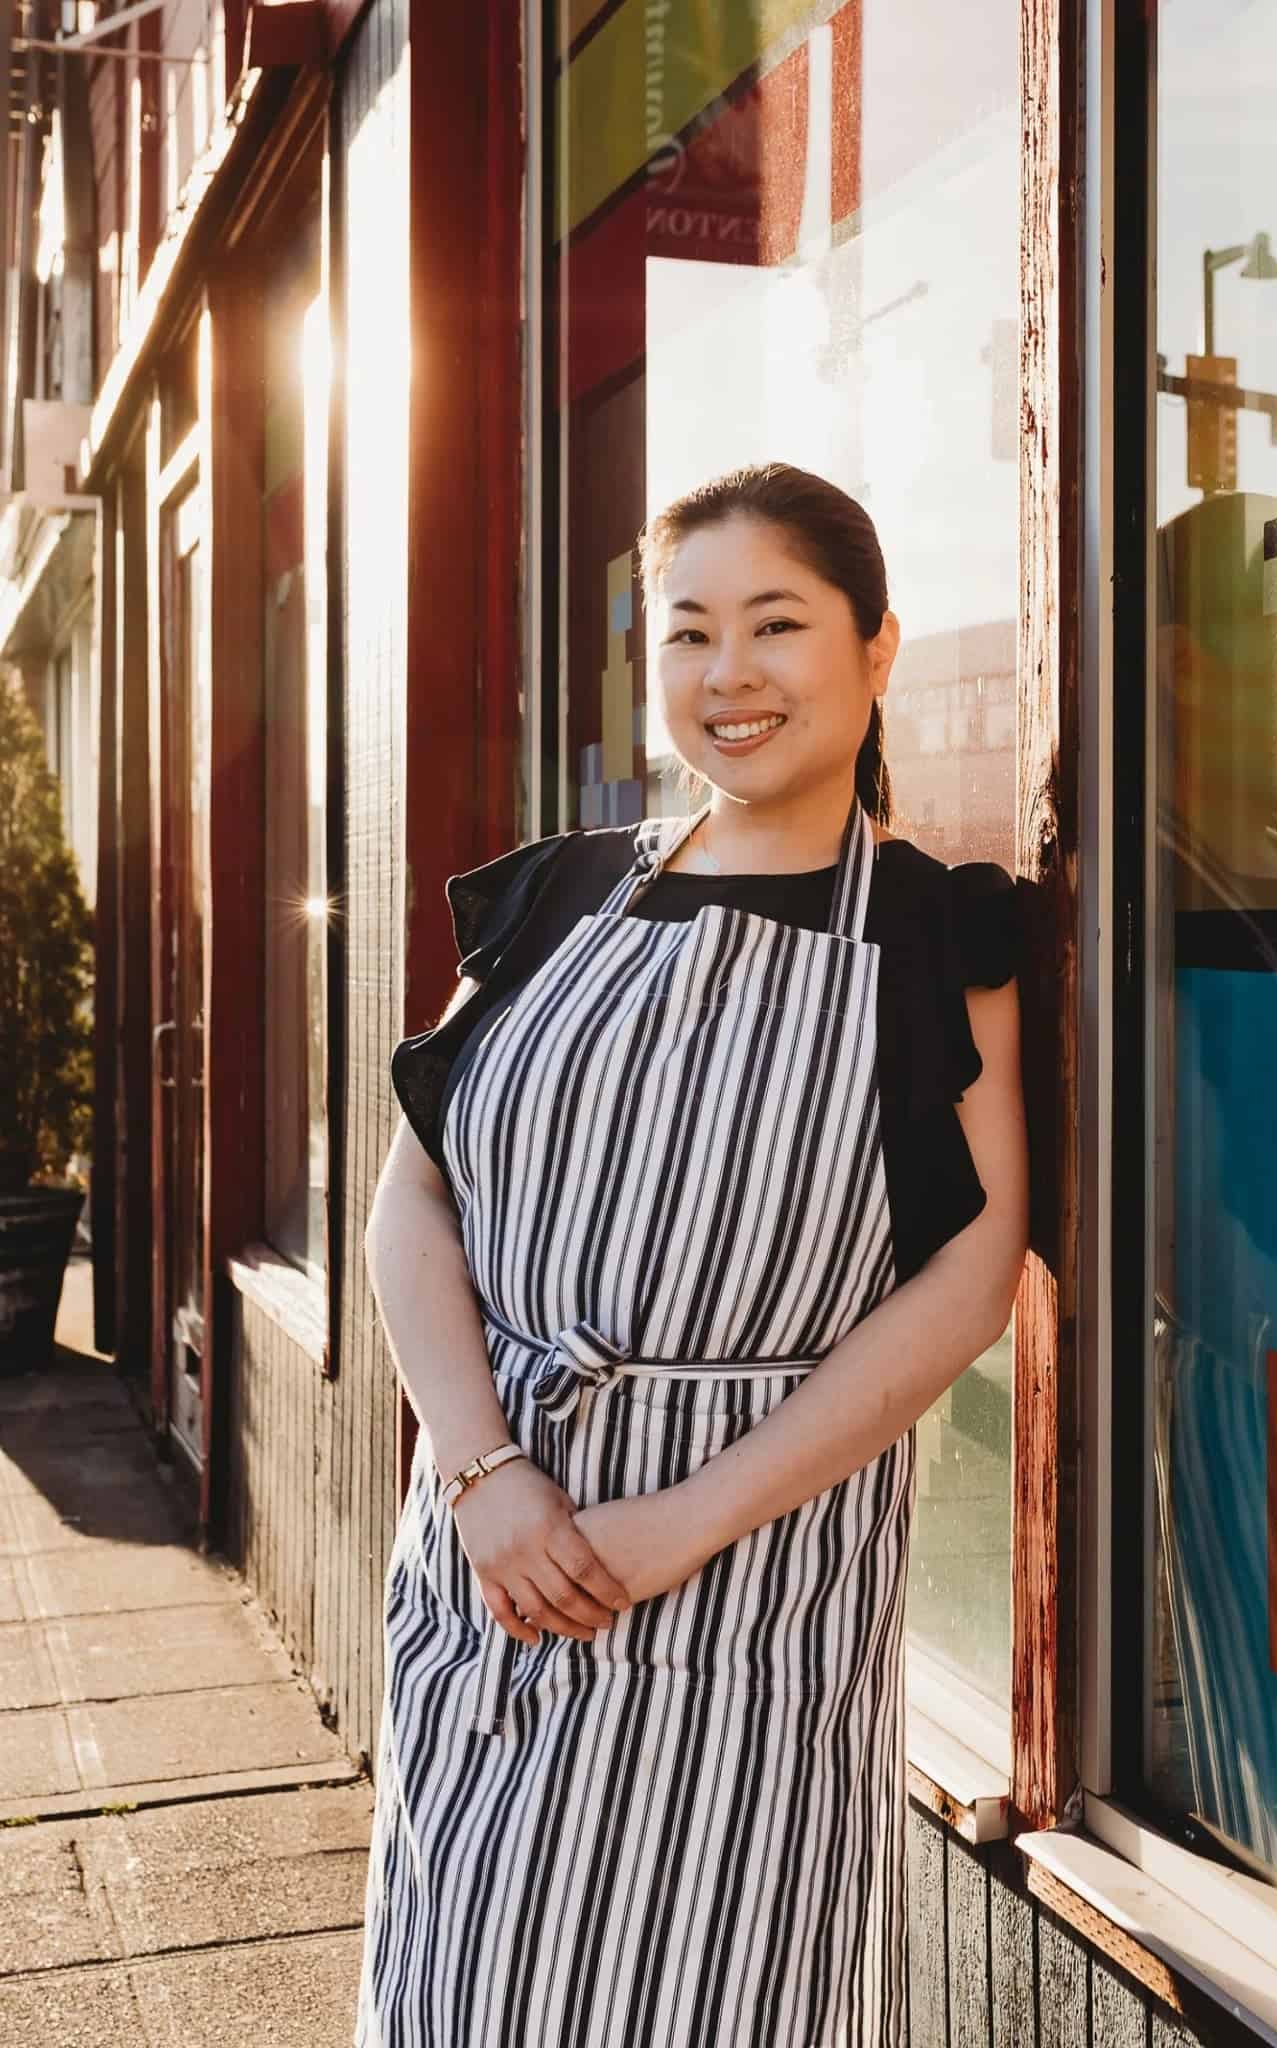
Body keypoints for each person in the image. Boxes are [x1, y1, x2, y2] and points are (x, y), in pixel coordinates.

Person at [353, 461, 1028, 2047]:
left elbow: (972, 1273)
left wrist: (677, 1526)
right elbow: (411, 1205)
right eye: (689, 633)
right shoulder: (557, 895)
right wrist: (483, 1477)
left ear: (876, 651)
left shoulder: (939, 934)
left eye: (777, 624)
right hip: (496, 1565)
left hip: (756, 1593)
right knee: (462, 1994)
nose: (729, 676)